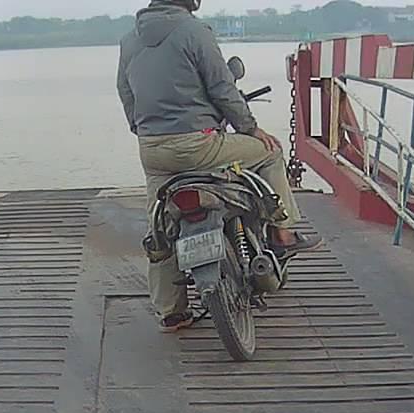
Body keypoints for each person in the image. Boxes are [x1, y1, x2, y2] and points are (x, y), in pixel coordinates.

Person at [117, 0, 321, 333]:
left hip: (153, 151)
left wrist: (142, 129)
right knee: (269, 152)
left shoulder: (129, 40)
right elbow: (222, 86)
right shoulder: (195, 31)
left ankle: (171, 311)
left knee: (161, 224)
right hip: (199, 143)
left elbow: (125, 91)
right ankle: (283, 233)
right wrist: (250, 128)